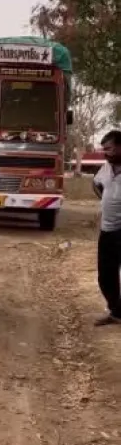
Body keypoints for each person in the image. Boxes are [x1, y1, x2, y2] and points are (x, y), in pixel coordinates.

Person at [93, 129, 121, 326]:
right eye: (104, 149)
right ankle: (116, 312)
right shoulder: (105, 168)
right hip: (107, 230)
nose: (106, 153)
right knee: (106, 273)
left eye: (109, 149)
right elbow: (95, 183)